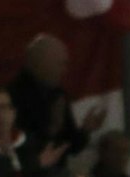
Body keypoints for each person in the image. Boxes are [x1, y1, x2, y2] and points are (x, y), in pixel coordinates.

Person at [8, 33, 102, 164]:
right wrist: (52, 128)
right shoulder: (11, 97)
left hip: (53, 176)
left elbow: (69, 146)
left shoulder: (57, 94)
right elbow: (18, 148)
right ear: (42, 63)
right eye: (60, 64)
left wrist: (85, 130)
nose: (64, 71)